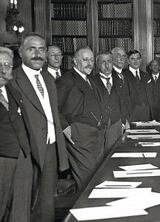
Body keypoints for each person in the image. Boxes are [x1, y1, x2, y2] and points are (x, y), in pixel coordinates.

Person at [12, 33, 69, 222]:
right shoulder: (12, 80)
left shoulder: (47, 78)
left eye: (42, 49)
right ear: (20, 52)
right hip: (27, 152)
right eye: (32, 49)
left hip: (50, 146)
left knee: (46, 203)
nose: (38, 54)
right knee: (25, 205)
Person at [56, 46, 106, 190]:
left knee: (97, 177)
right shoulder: (66, 80)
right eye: (85, 60)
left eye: (91, 60)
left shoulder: (90, 79)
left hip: (96, 135)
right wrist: (66, 128)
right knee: (88, 179)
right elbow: (54, 107)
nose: (89, 63)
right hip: (79, 134)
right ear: (75, 61)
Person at [0, 47, 32, 222]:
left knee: (20, 211)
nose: (2, 69)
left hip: (22, 156)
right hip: (2, 158)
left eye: (7, 65)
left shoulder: (13, 91)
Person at [90, 52, 125, 155]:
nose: (107, 65)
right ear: (97, 64)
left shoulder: (121, 80)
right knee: (98, 156)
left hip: (116, 123)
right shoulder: (91, 81)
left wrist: (123, 121)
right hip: (98, 126)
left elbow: (124, 102)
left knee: (115, 156)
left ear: (113, 62)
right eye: (103, 62)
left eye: (109, 61)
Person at [123, 49, 150, 121]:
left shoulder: (146, 75)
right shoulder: (123, 75)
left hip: (146, 114)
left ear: (140, 60)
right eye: (132, 59)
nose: (135, 61)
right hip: (130, 114)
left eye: (138, 59)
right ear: (128, 61)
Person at [111, 47, 131, 127]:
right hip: (115, 122)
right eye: (118, 56)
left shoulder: (126, 75)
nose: (121, 59)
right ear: (111, 58)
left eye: (123, 56)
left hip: (128, 119)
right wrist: (122, 121)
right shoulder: (108, 75)